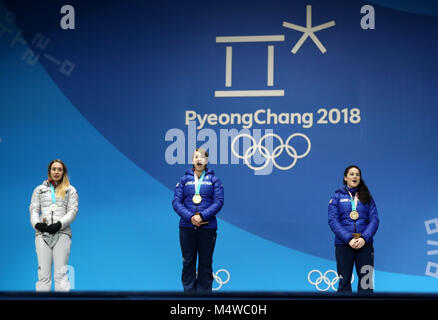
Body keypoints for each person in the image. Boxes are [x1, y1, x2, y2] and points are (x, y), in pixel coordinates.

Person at [172, 148, 224, 292]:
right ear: (192, 160)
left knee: (205, 264)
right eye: (196, 157)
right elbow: (176, 202)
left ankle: (204, 298)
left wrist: (201, 216)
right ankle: (189, 298)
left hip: (208, 228)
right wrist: (190, 217)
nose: (199, 159)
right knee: (188, 263)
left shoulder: (215, 180)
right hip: (187, 227)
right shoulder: (183, 180)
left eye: (202, 157)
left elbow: (218, 202)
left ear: (206, 161)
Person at [328, 165, 379, 293]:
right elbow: (333, 221)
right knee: (344, 282)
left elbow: (374, 220)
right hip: (344, 245)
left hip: (365, 245)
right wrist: (349, 239)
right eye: (351, 174)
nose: (354, 176)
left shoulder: (367, 197)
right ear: (345, 178)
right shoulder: (337, 197)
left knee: (366, 283)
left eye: (357, 174)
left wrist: (363, 238)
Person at [29, 159, 78, 291]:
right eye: (54, 169)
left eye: (59, 169)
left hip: (62, 233)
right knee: (43, 275)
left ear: (63, 172)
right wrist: (37, 224)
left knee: (61, 274)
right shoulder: (39, 190)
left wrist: (59, 224)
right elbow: (34, 209)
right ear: (49, 171)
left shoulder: (70, 190)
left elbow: (72, 211)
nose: (56, 172)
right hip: (42, 234)